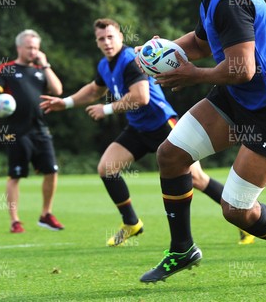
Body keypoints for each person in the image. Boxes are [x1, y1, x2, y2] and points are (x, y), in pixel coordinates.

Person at [137, 0, 266, 285]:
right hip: (237, 96)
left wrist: (190, 75)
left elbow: (242, 68)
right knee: (170, 155)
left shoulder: (230, 0)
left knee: (236, 211)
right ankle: (182, 248)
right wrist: (157, 52)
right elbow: (200, 44)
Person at [40, 18, 240, 246]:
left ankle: (243, 220)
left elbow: (141, 97)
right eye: (101, 39)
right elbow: (94, 90)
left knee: (196, 178)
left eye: (110, 37)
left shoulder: (130, 61)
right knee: (107, 168)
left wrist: (105, 109)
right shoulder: (105, 65)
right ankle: (131, 222)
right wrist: (64, 103)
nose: (106, 42)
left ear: (120, 38)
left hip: (162, 124)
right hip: (138, 128)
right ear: (96, 43)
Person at [0, 29, 65, 233]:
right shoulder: (6, 69)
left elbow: (58, 91)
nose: (33, 51)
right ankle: (15, 221)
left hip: (40, 129)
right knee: (15, 175)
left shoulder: (40, 70)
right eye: (29, 47)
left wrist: (45, 64)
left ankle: (46, 214)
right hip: (15, 131)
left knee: (52, 171)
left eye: (36, 47)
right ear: (19, 47)